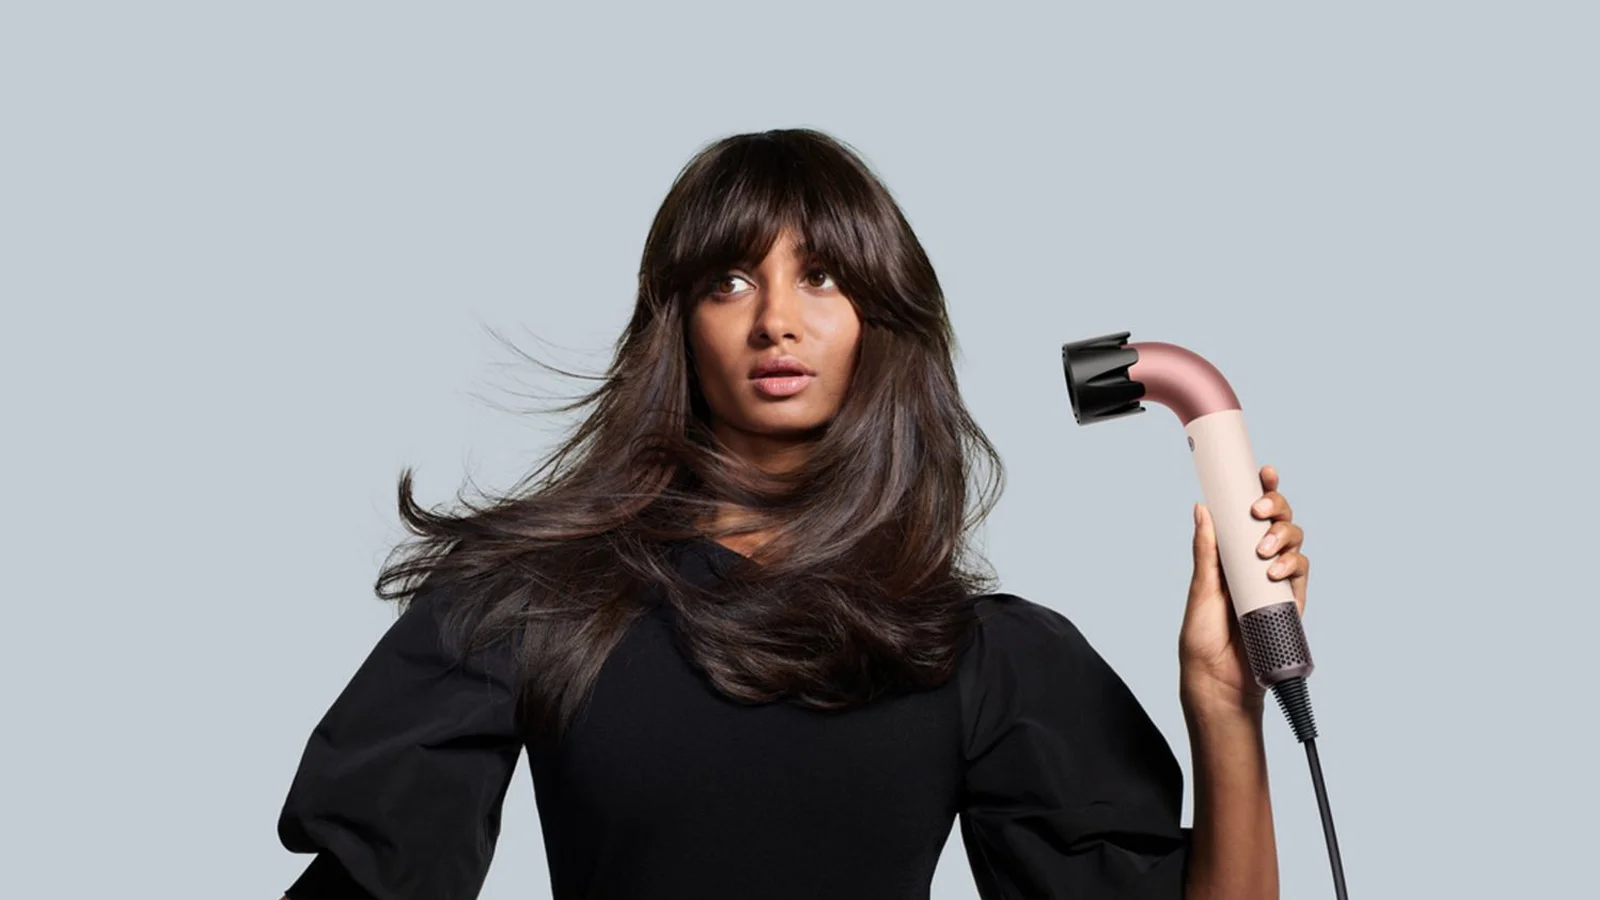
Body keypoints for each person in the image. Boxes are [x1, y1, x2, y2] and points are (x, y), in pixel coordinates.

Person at [276, 128, 1311, 899]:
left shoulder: (979, 659)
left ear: (879, 316)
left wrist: (1225, 705)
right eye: (730, 280)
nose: (776, 319)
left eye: (820, 276)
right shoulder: (531, 608)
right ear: (679, 326)